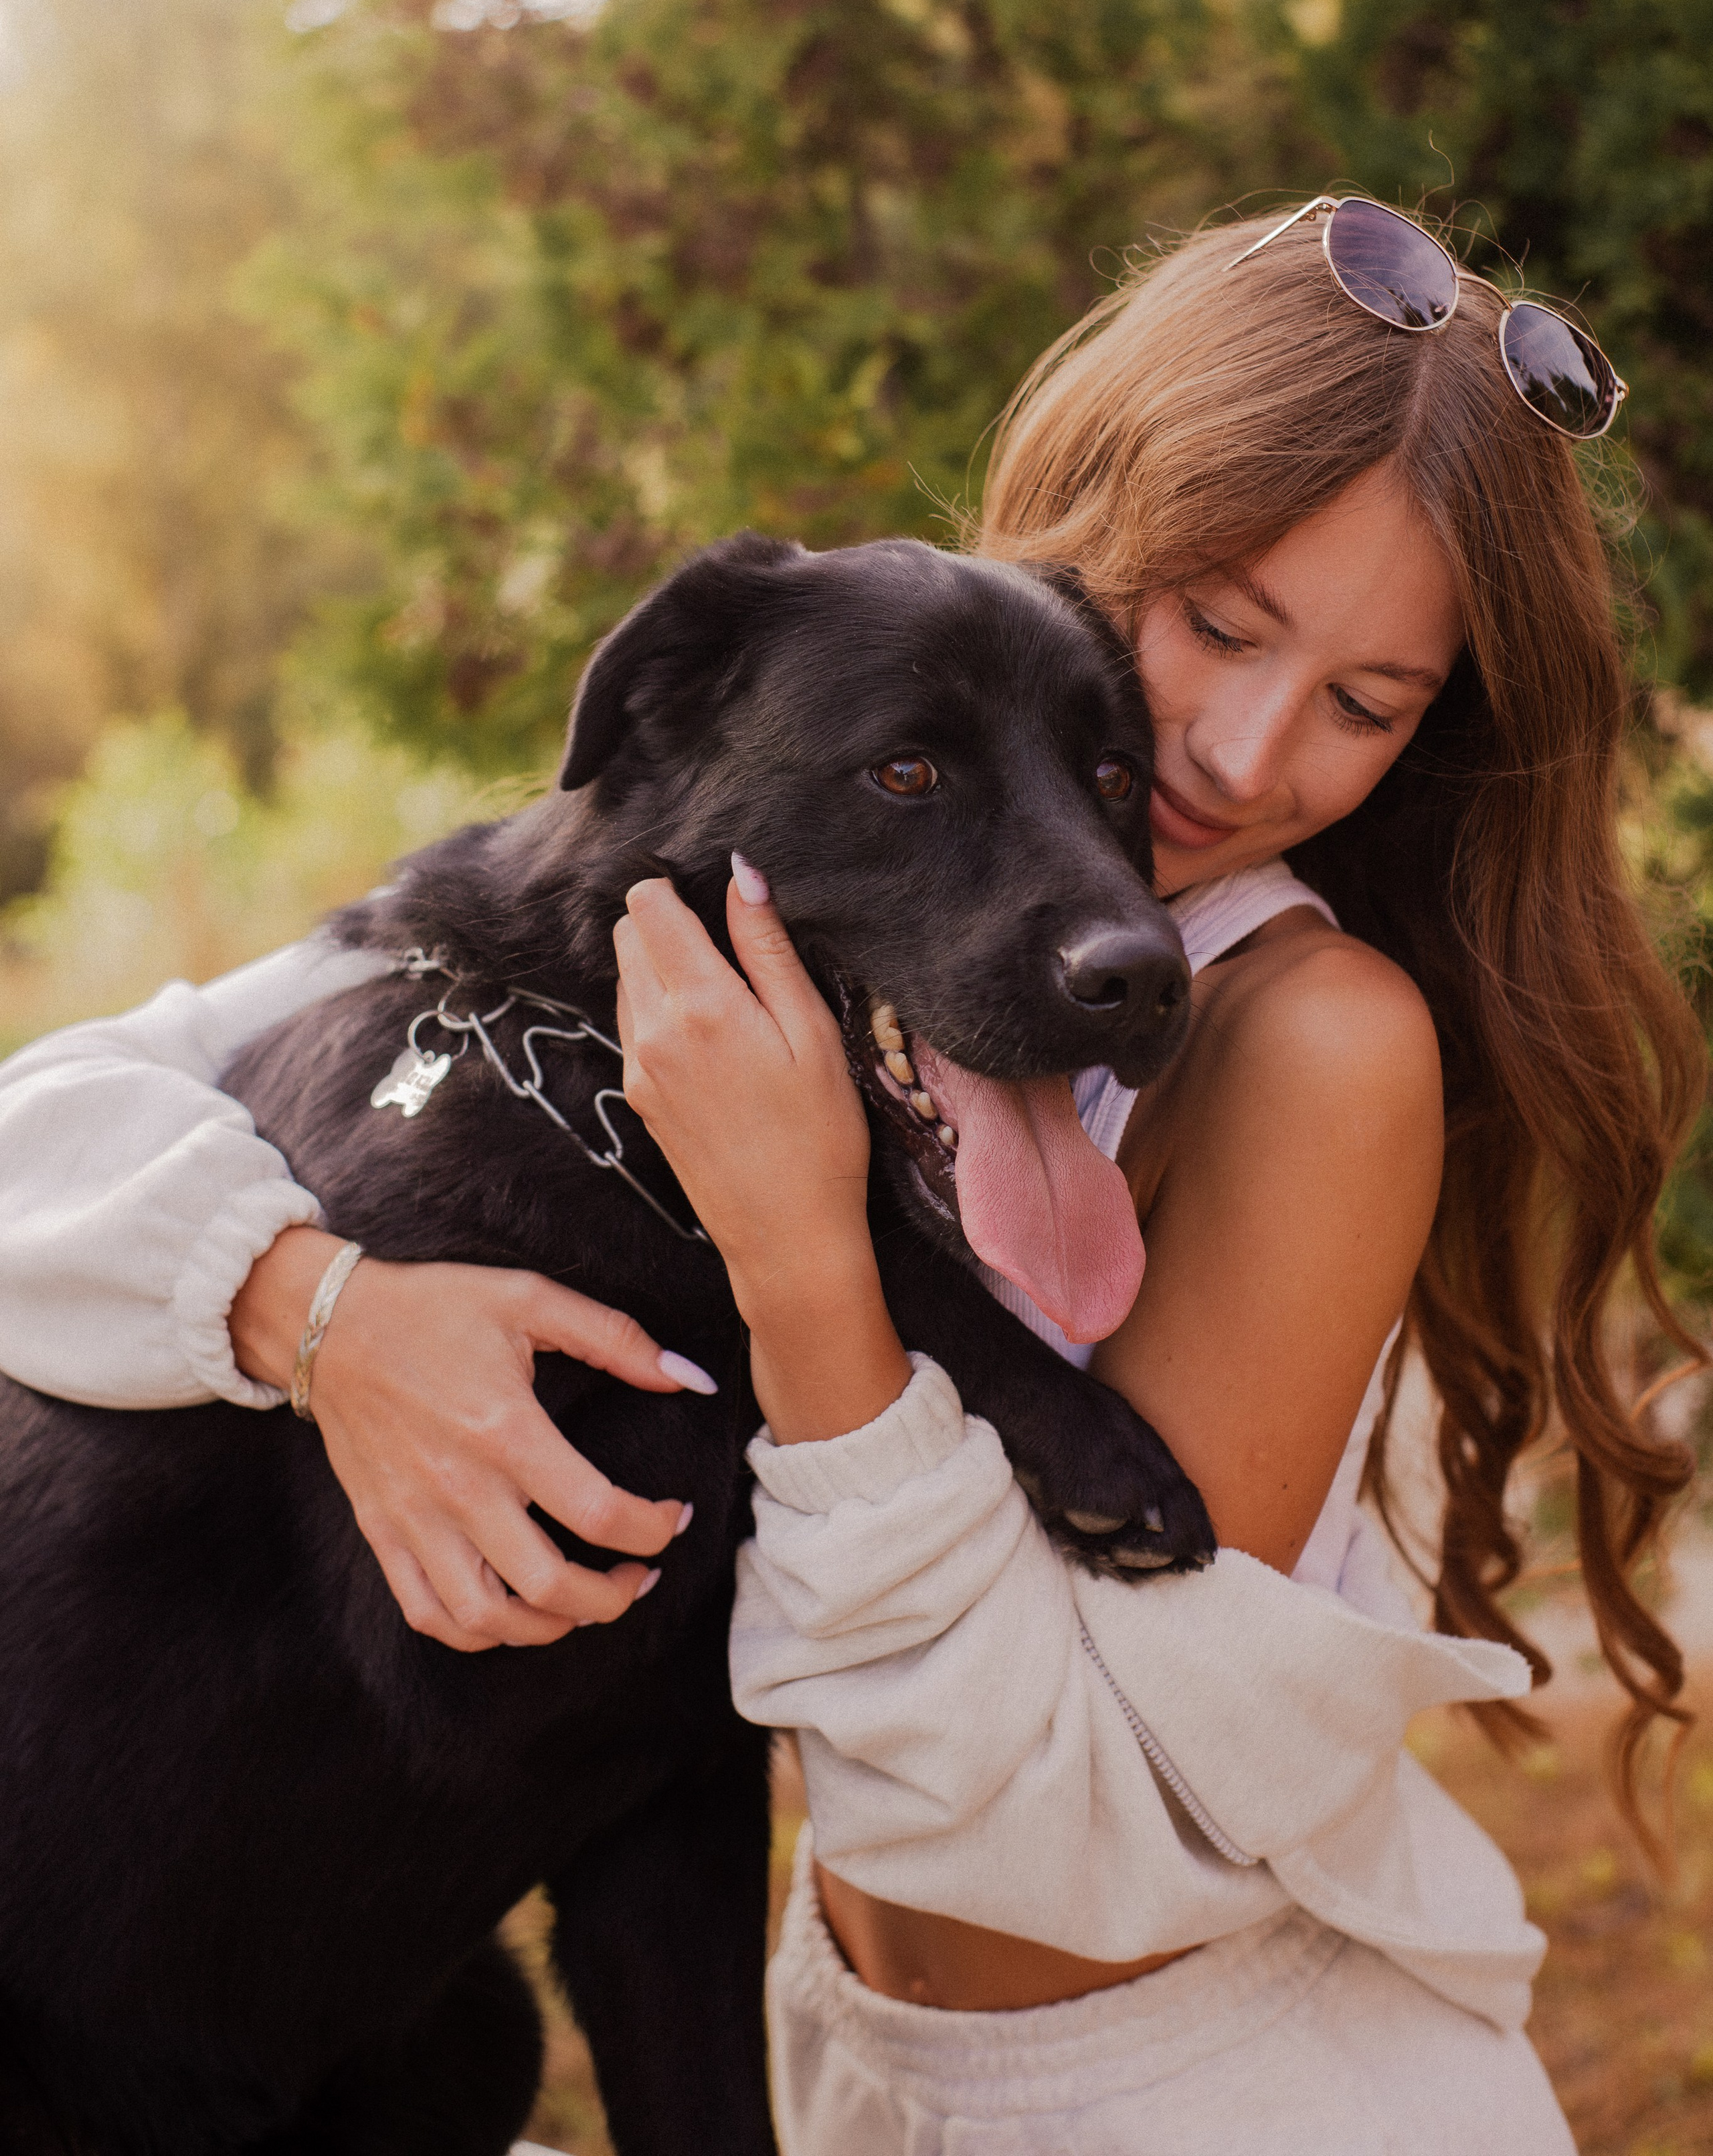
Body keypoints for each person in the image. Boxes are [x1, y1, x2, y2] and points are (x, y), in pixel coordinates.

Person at [0, 198, 1698, 2147]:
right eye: (1218, 627)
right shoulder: (762, 862)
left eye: (1367, 705)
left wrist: (805, 1249)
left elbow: (1044, 1841)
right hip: (864, 2077)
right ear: (1089, 519)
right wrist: (317, 1313)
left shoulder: (1313, 1037)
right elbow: (45, 1124)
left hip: (1182, 2101)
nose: (1238, 749)